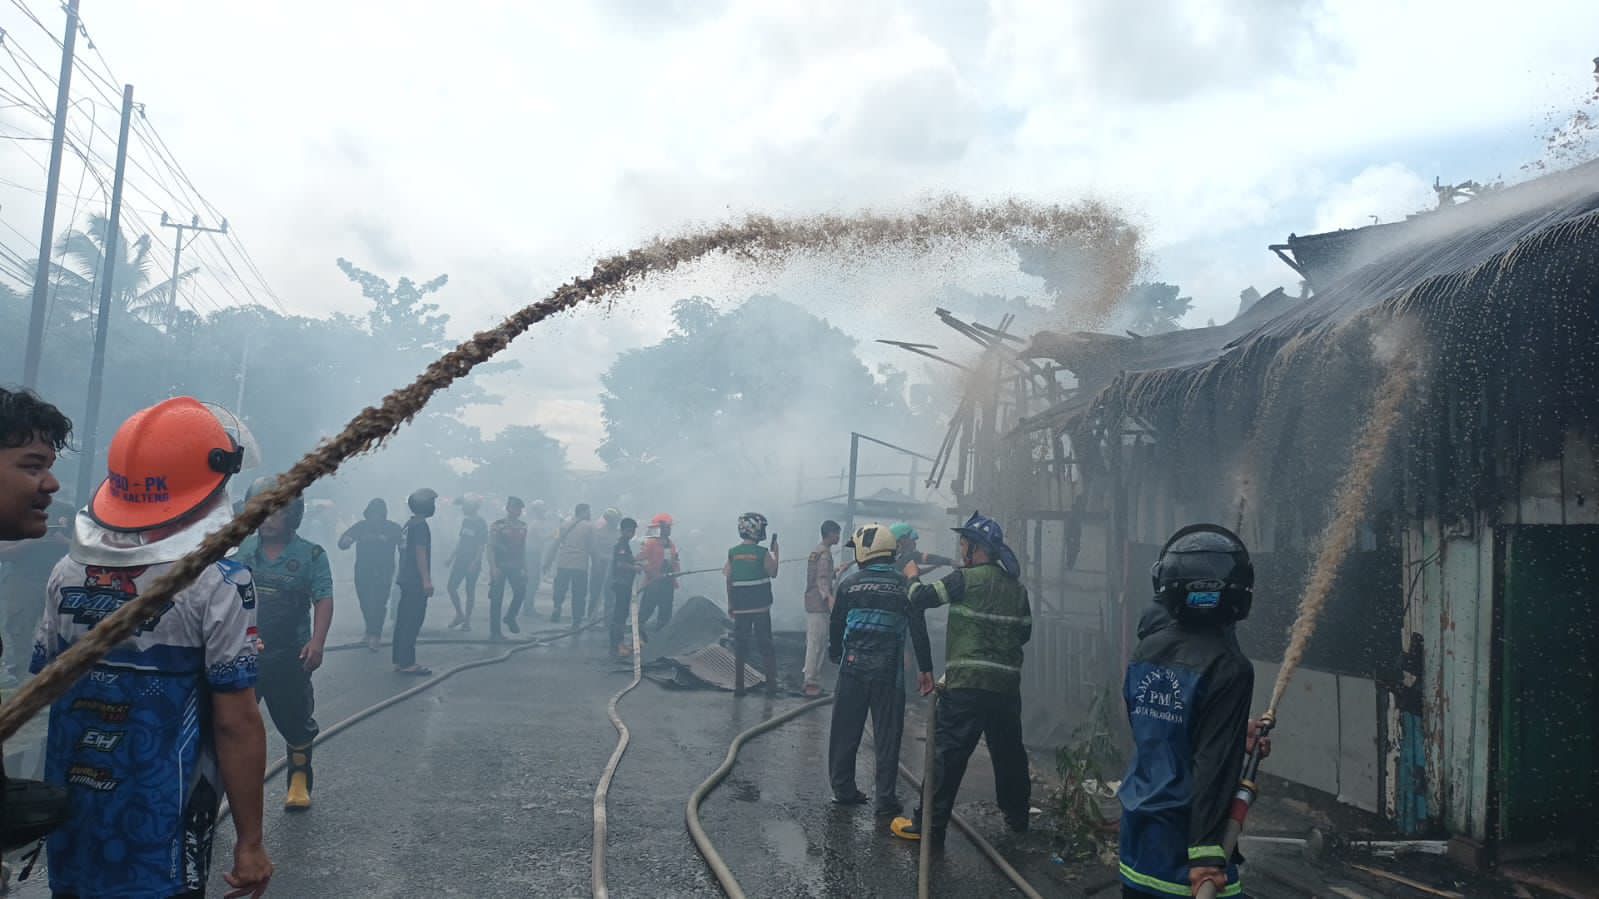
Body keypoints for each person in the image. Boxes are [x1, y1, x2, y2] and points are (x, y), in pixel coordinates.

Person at [32, 396, 272, 897]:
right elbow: (235, 722)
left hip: (72, 810)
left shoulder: (66, 572)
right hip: (164, 820)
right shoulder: (220, 581)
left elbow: (44, 684)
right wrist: (250, 842)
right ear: (215, 483)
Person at [1119, 524, 1268, 899]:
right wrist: (1205, 858)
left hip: (1138, 844)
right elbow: (1212, 768)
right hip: (1189, 858)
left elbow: (1159, 732)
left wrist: (1236, 734)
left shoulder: (1145, 652)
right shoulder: (1230, 667)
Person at [892, 511, 1032, 849]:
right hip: (1005, 689)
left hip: (967, 685)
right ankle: (1018, 818)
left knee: (948, 756)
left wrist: (910, 575)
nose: (961, 549)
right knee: (1009, 754)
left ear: (975, 548)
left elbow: (921, 598)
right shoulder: (1017, 588)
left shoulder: (963, 580)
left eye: (964, 543)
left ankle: (928, 827)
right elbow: (1024, 633)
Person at [236, 475, 334, 811]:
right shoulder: (245, 550)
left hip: (290, 653)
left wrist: (317, 642)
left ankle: (298, 777)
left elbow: (323, 598)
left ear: (292, 516)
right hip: (244, 652)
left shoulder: (311, 555)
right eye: (260, 512)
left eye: (275, 513)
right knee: (233, 721)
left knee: (294, 717)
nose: (266, 520)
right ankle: (229, 784)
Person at [828, 523, 933, 816]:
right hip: (889, 671)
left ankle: (844, 789)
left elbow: (835, 625)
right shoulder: (904, 585)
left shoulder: (848, 584)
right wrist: (926, 668)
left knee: (845, 731)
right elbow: (918, 629)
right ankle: (885, 798)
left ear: (865, 550)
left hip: (852, 668)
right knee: (888, 736)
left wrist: (835, 653)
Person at [723, 513, 780, 696]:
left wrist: (731, 604)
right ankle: (772, 686)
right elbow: (773, 572)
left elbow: (729, 579)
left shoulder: (733, 552)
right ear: (755, 529)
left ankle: (739, 686)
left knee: (741, 646)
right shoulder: (762, 553)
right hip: (761, 607)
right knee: (766, 645)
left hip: (740, 607)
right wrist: (776, 553)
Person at [339, 498, 403, 651]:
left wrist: (388, 540)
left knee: (379, 602)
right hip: (363, 570)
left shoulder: (393, 528)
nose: (375, 517)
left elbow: (403, 545)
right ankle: (369, 630)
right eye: (372, 513)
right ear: (368, 514)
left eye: (378, 514)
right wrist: (346, 541)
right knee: (365, 601)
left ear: (383, 514)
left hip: (384, 571)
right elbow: (343, 542)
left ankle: (375, 635)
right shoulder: (360, 527)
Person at [394, 488, 437, 675]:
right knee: (413, 620)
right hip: (415, 580)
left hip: (405, 577)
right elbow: (421, 552)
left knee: (403, 619)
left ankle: (399, 659)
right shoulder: (420, 526)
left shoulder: (409, 524)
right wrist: (426, 580)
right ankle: (407, 662)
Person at [802, 520, 841, 698]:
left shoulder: (816, 551)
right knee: (816, 644)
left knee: (815, 643)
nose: (838, 537)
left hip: (812, 602)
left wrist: (837, 572)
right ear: (830, 533)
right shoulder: (824, 554)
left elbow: (821, 575)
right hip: (819, 605)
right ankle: (811, 683)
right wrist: (829, 598)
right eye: (837, 533)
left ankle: (812, 680)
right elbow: (822, 580)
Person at [489, 496, 530, 639]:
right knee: (496, 598)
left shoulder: (523, 526)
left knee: (520, 592)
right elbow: (492, 548)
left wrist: (525, 568)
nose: (517, 511)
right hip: (500, 565)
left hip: (516, 565)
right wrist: (493, 568)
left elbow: (523, 548)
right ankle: (495, 632)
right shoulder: (498, 525)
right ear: (508, 508)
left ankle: (510, 617)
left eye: (519, 508)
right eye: (514, 507)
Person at [548, 503, 595, 622]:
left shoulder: (563, 524)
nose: (590, 514)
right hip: (580, 566)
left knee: (560, 588)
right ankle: (577, 618)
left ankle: (557, 607)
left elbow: (555, 542)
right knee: (579, 593)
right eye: (588, 511)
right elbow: (592, 548)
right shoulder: (589, 527)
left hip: (563, 563)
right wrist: (597, 563)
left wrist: (548, 561)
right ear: (583, 512)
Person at [446, 497, 488, 630]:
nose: (462, 509)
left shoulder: (481, 523)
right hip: (460, 560)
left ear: (471, 508)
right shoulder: (466, 521)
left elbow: (481, 546)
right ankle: (459, 614)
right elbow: (461, 540)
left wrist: (475, 563)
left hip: (472, 561)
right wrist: (451, 557)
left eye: (465, 506)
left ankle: (467, 621)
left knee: (470, 590)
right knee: (451, 587)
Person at [637, 513, 680, 638]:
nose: (670, 529)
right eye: (668, 527)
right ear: (660, 528)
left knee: (666, 610)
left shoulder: (670, 544)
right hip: (653, 583)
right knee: (647, 608)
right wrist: (653, 572)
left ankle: (661, 635)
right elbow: (642, 560)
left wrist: (675, 571)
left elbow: (675, 560)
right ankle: (639, 634)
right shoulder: (649, 542)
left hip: (668, 582)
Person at [607, 517, 643, 657]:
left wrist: (636, 563)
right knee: (619, 615)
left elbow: (627, 560)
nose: (631, 534)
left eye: (633, 531)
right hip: (621, 583)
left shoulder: (626, 544)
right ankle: (617, 645)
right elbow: (620, 564)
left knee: (622, 614)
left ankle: (618, 643)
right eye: (629, 531)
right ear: (622, 531)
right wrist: (634, 568)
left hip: (625, 584)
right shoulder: (621, 545)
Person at [889, 522, 957, 580]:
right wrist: (950, 561)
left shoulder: (890, 557)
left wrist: (934, 567)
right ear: (902, 539)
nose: (914, 543)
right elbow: (928, 558)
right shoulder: (908, 557)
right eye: (912, 540)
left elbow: (917, 572)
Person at [588, 507, 621, 622]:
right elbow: (594, 549)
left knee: (610, 595)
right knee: (595, 593)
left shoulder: (619, 534)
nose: (615, 522)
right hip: (599, 566)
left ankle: (608, 620)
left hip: (613, 569)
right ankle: (591, 617)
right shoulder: (599, 532)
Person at [523, 499, 551, 620]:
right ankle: (528, 608)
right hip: (532, 554)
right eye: (543, 510)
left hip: (534, 553)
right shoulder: (536, 524)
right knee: (533, 581)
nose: (545, 512)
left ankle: (529, 607)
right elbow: (542, 538)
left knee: (533, 581)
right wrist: (556, 534)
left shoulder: (537, 523)